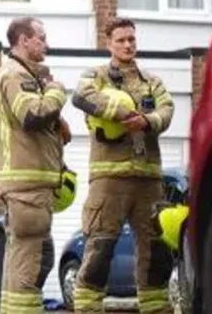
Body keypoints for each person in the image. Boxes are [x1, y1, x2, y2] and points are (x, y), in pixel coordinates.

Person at [70, 17, 176, 314]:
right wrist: (122, 112)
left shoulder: (151, 81)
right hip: (109, 180)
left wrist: (147, 120)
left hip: (148, 180)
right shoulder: (96, 75)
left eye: (132, 39)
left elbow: (167, 109)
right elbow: (82, 95)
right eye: (121, 40)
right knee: (100, 250)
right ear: (109, 44)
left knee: (156, 254)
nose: (128, 44)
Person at [0, 17, 72, 314]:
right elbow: (31, 115)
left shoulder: (21, 74)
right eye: (41, 38)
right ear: (23, 40)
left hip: (28, 190)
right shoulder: (15, 75)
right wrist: (57, 92)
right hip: (28, 190)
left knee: (26, 262)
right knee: (31, 264)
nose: (45, 44)